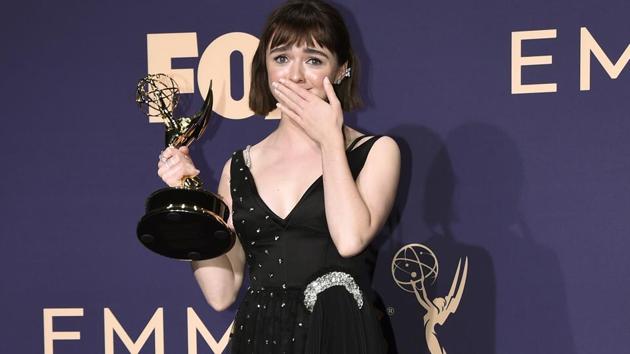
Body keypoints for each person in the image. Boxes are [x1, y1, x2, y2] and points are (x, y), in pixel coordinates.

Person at [157, 1, 400, 352]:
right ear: (265, 67)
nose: (296, 75)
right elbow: (221, 292)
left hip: (341, 336)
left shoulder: (376, 152)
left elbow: (349, 239)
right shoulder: (239, 168)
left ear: (341, 70)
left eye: (314, 60)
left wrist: (330, 139)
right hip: (260, 338)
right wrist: (190, 198)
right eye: (282, 58)